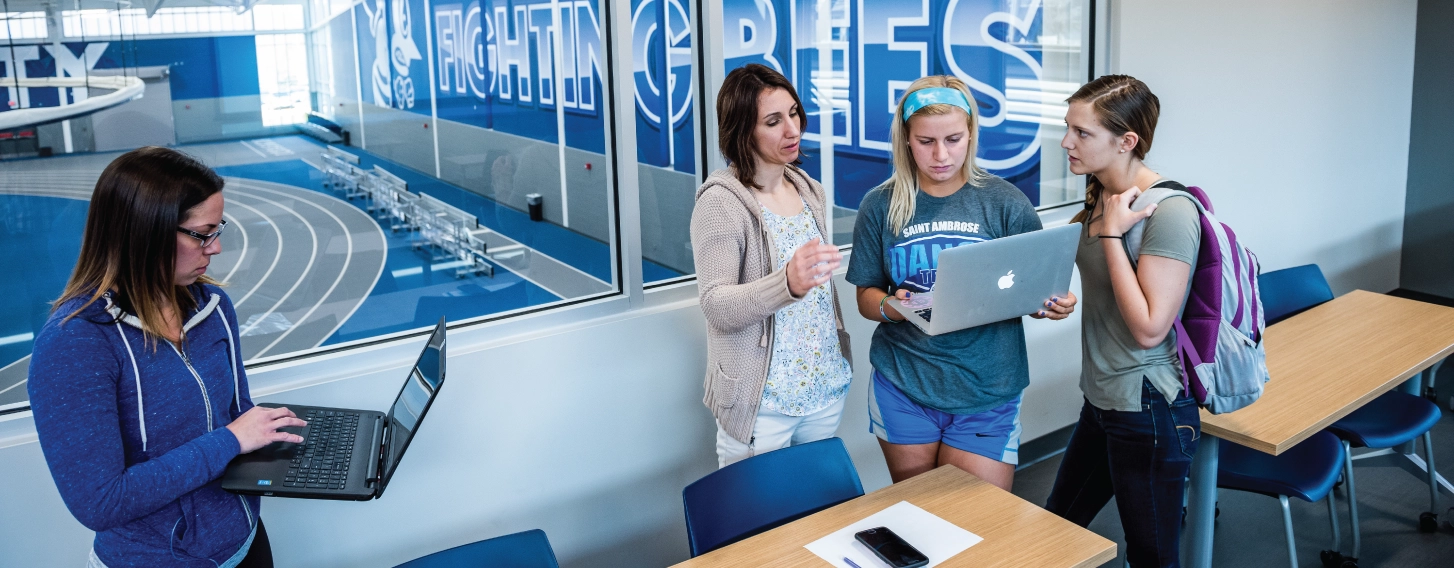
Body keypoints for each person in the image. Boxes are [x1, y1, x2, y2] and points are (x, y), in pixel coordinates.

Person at [28, 147, 307, 568]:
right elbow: (101, 502)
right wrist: (231, 441)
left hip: (246, 545)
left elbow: (237, 412)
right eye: (202, 233)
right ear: (146, 231)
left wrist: (300, 454)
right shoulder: (75, 345)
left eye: (219, 229)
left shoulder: (213, 306)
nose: (215, 248)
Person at [846, 75, 1077, 490]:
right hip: (905, 384)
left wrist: (1051, 303)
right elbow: (866, 297)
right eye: (925, 141)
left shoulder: (1005, 202)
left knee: (980, 525)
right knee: (917, 516)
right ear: (906, 139)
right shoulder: (880, 205)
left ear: (971, 135)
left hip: (988, 388)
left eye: (953, 139)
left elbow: (1033, 288)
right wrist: (892, 307)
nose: (940, 155)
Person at [1043, 74, 1201, 568]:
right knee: (1056, 526)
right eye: (1067, 128)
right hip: (1105, 400)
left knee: (1152, 556)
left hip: (1149, 407)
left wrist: (1112, 238)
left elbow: (1151, 327)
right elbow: (1065, 261)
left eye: (1082, 133)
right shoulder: (1100, 195)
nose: (1066, 142)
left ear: (1126, 141)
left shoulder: (1169, 212)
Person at [691, 63, 853, 468]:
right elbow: (716, 304)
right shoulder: (720, 202)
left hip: (823, 391)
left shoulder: (809, 188)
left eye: (794, 113)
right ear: (743, 130)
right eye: (773, 121)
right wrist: (787, 283)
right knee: (761, 528)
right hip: (761, 404)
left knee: (818, 519)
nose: (793, 130)